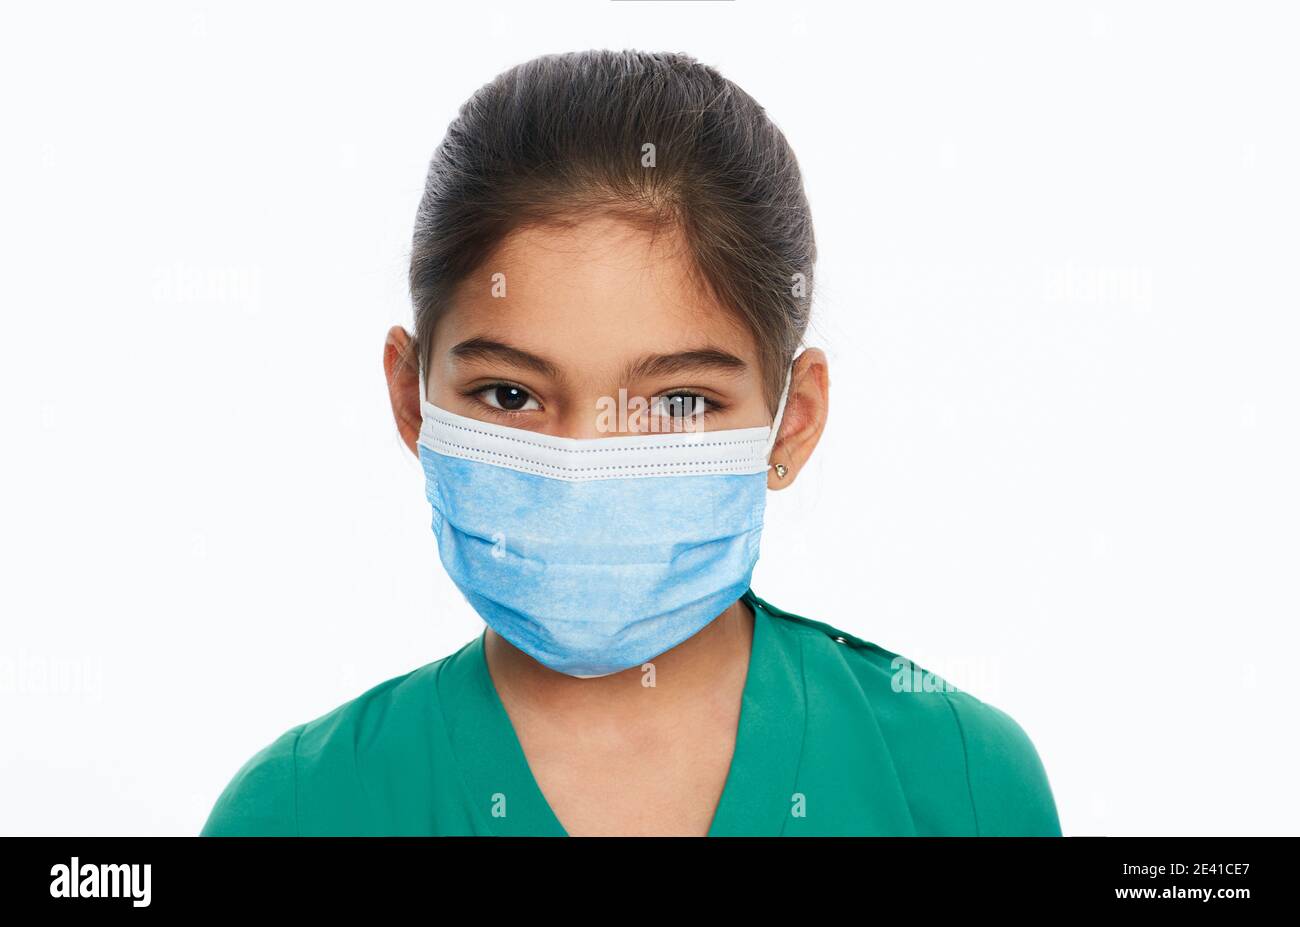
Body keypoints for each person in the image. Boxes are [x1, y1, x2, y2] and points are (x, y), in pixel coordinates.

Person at [199, 49, 1061, 837]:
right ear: (411, 397)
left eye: (679, 402)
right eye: (512, 395)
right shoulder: (300, 811)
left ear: (791, 419)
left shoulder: (957, 782)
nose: (584, 464)